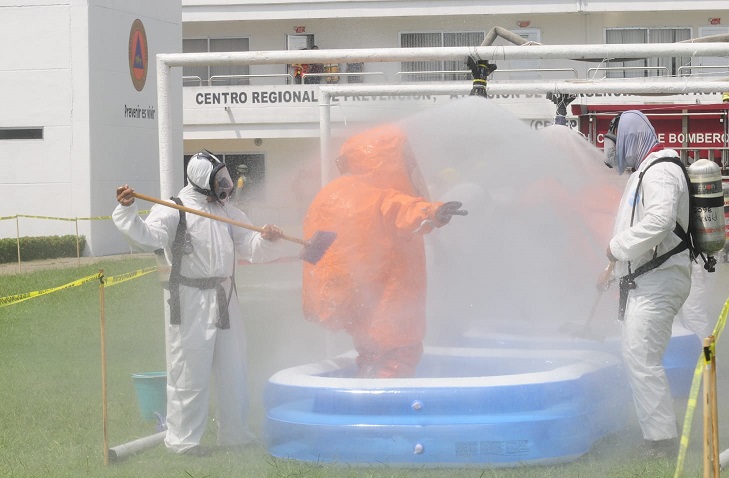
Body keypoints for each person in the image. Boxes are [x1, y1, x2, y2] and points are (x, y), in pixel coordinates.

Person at [113, 150, 290, 456]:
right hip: (191, 299)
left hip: (226, 297)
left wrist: (266, 239)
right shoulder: (173, 209)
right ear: (201, 180)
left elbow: (250, 246)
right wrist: (128, 210)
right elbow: (147, 237)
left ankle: (235, 434)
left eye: (225, 179)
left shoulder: (228, 212)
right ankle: (183, 441)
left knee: (234, 369)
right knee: (189, 371)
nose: (225, 186)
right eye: (219, 180)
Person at [301, 124, 467, 378]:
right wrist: (435, 212)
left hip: (358, 299)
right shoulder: (380, 195)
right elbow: (405, 210)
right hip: (391, 297)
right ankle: (384, 398)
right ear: (389, 160)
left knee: (370, 352)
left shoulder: (331, 194)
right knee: (400, 354)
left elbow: (315, 245)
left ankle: (363, 390)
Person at [597, 110, 692, 459]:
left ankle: (661, 441)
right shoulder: (645, 170)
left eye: (616, 143)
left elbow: (660, 222)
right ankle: (660, 430)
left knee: (641, 355)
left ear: (630, 138)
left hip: (660, 279)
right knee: (638, 355)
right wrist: (612, 268)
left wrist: (615, 247)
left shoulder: (661, 170)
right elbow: (635, 228)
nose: (612, 152)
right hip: (647, 278)